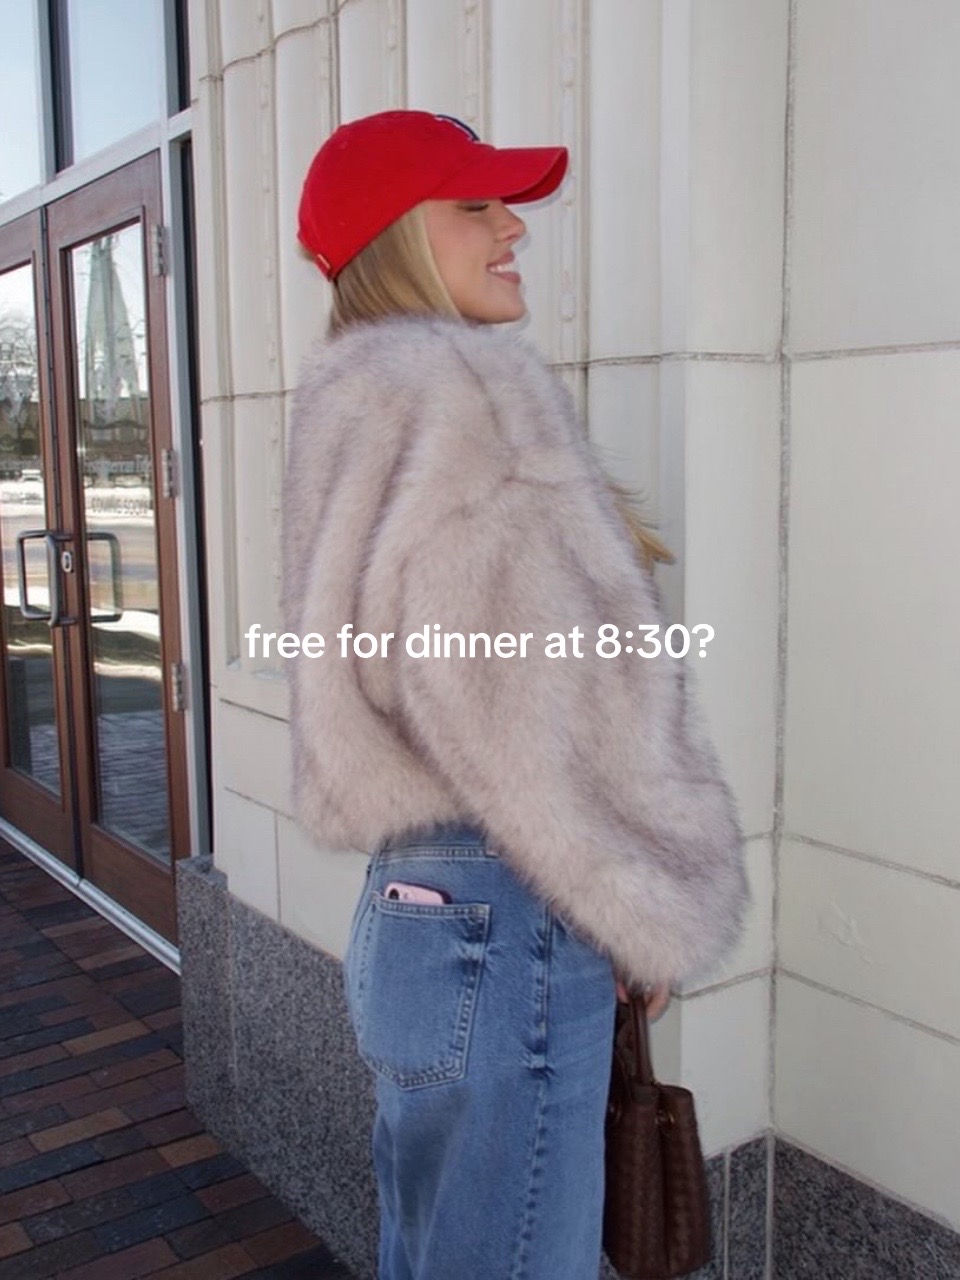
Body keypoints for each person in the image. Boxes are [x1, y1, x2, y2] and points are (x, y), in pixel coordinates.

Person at [282, 109, 749, 1280]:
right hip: (510, 910)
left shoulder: (355, 400)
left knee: (436, 1251)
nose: (513, 228)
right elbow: (522, 711)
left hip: (419, 917)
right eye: (475, 205)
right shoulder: (463, 395)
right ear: (398, 232)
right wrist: (629, 892)